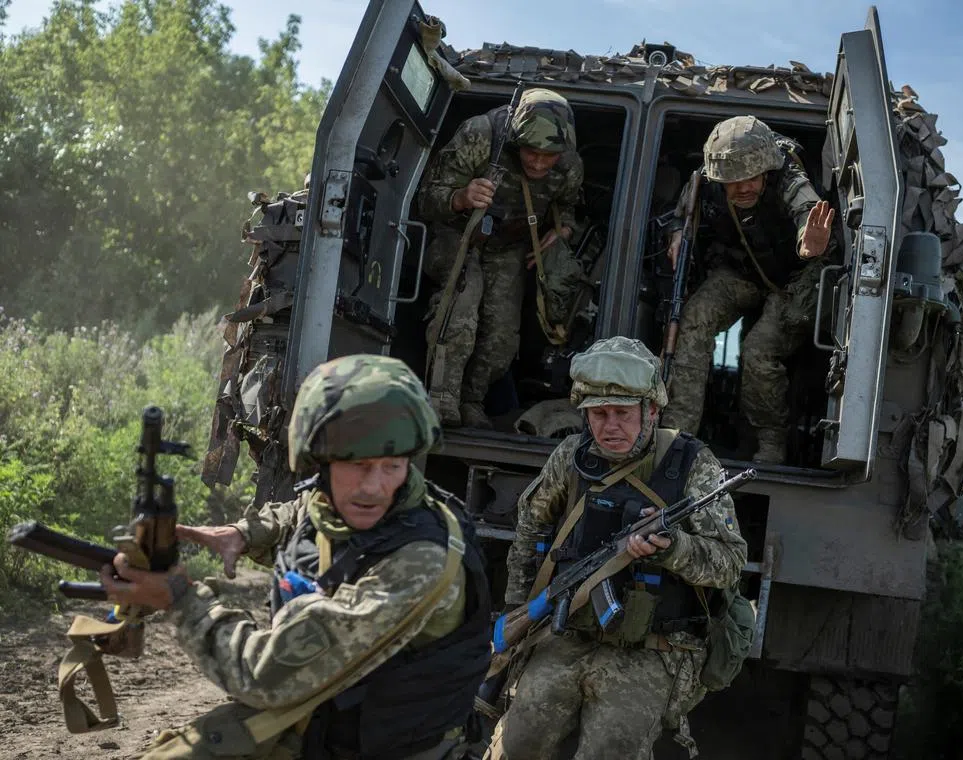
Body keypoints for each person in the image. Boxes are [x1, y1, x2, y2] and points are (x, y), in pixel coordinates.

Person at [99, 354, 493, 760]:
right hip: (323, 728)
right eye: (357, 465)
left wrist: (179, 600)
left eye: (391, 466)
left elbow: (262, 678)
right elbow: (305, 511)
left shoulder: (420, 561)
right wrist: (244, 534)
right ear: (319, 462)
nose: (375, 486)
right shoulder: (344, 503)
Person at [486, 336, 747, 759]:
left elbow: (730, 562)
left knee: (612, 748)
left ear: (652, 410)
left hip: (649, 648)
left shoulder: (692, 465)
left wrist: (672, 549)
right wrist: (519, 612)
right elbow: (530, 528)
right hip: (565, 633)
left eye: (623, 414)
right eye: (599, 414)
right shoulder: (571, 457)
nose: (610, 426)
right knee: (519, 741)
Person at [660, 115, 835, 464]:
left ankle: (770, 442)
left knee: (758, 351)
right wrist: (678, 235)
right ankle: (676, 433)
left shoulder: (788, 176)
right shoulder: (705, 180)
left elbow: (807, 212)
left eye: (751, 179)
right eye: (733, 182)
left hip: (796, 278)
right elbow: (682, 215)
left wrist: (810, 243)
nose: (742, 189)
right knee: (693, 321)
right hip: (742, 271)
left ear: (766, 170)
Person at [416, 87, 584, 430]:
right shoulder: (480, 135)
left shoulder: (569, 165)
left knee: (502, 335)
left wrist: (563, 229)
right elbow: (425, 199)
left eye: (548, 155)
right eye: (531, 151)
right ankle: (441, 398)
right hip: (458, 234)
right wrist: (461, 197)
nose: (538, 162)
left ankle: (472, 400)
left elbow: (570, 206)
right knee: (463, 302)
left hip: (509, 246)